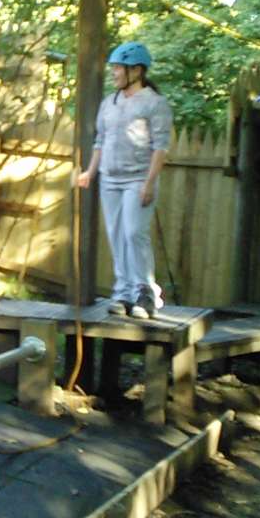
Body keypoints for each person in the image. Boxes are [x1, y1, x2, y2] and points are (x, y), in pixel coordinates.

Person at [76, 41, 173, 319]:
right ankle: (124, 293)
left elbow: (161, 147)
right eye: (114, 67)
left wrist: (149, 183)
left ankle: (146, 293)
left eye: (118, 68)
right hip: (110, 179)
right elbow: (100, 141)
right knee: (117, 236)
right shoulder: (110, 103)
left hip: (138, 179)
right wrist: (90, 172)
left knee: (134, 233)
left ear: (136, 71)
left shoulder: (154, 103)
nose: (114, 73)